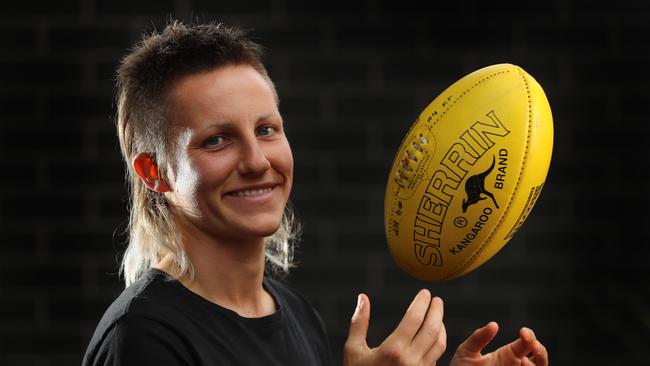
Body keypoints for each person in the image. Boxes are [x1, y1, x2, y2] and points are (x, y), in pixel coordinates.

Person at [82, 20, 549, 366]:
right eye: (216, 140)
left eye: (266, 129)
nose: (257, 161)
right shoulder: (143, 339)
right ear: (153, 171)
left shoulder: (293, 312)